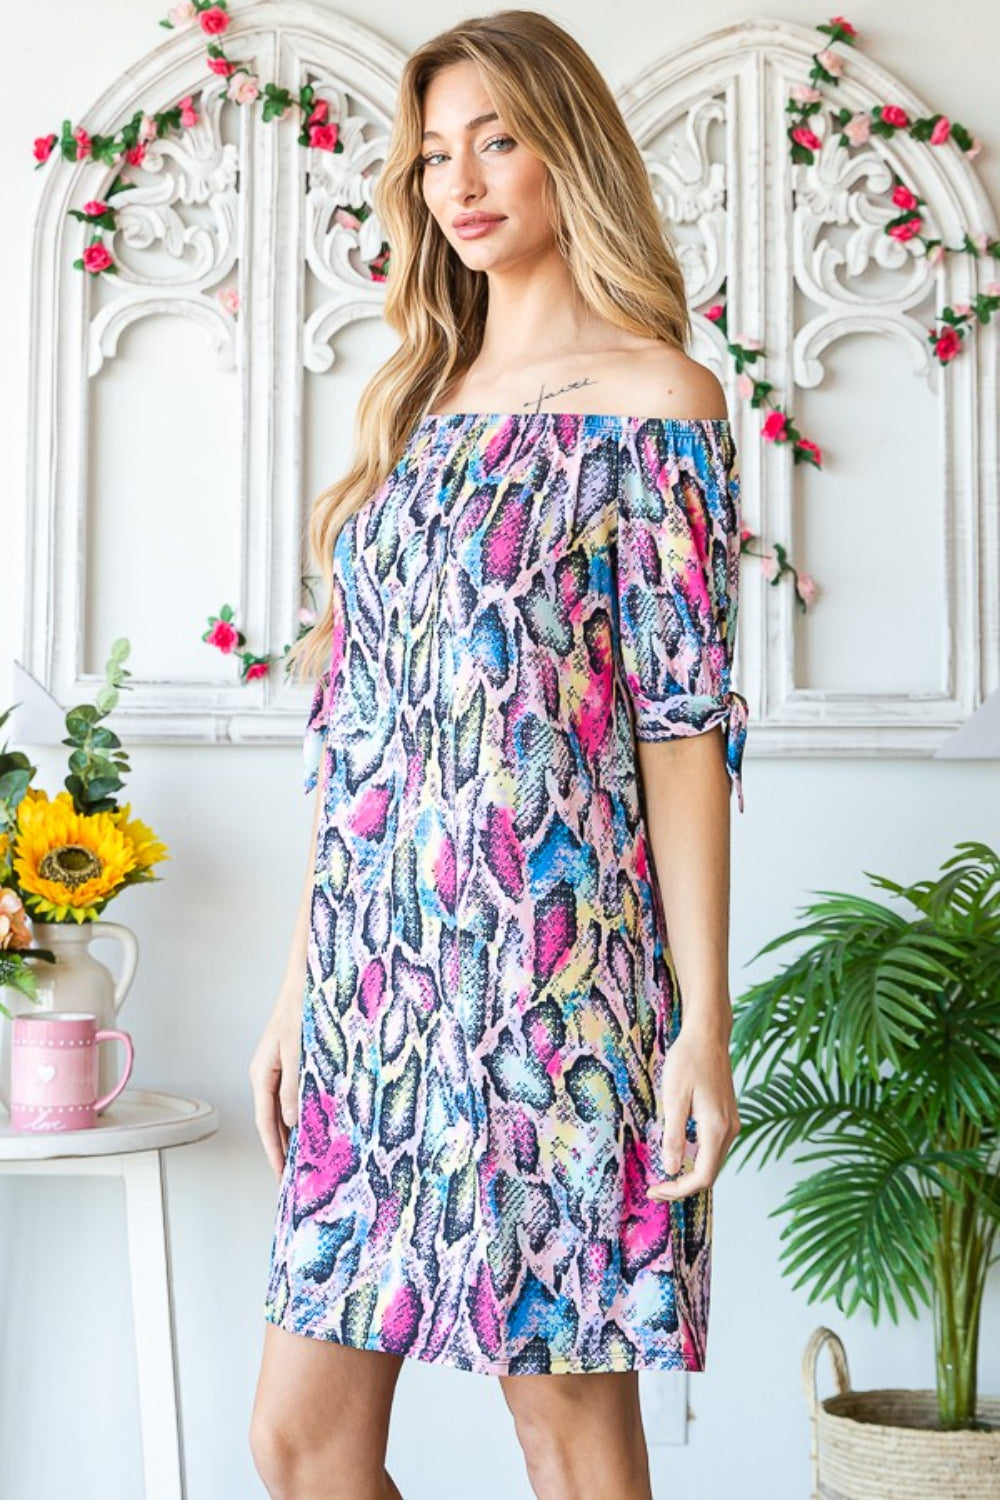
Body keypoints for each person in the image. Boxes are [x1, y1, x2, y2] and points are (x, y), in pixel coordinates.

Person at [248, 9, 747, 1498]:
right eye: (433, 155)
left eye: (498, 139)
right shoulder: (412, 410)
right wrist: (298, 993)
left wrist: (699, 1018)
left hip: (557, 991)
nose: (461, 181)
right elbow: (362, 748)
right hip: (373, 988)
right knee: (301, 1444)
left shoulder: (660, 404)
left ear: (566, 149)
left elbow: (681, 731)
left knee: (572, 1445)